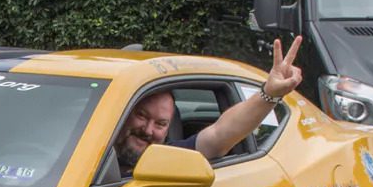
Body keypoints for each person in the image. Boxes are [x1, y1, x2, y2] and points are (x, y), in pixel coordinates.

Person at [115, 36, 304, 172]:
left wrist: (269, 94)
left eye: (160, 124)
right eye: (142, 116)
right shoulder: (88, 153)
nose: (148, 130)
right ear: (123, 113)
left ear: (168, 129)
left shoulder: (173, 157)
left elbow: (220, 134)